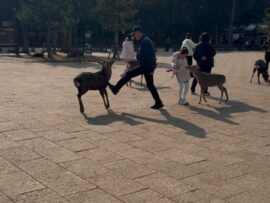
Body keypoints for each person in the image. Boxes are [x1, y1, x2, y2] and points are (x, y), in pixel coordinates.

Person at [108, 26, 164, 109]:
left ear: (138, 33)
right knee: (150, 85)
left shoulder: (145, 42)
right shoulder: (144, 41)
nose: (134, 37)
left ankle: (116, 89)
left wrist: (152, 69)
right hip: (146, 66)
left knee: (129, 73)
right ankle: (158, 102)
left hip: (146, 66)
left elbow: (150, 56)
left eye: (134, 35)